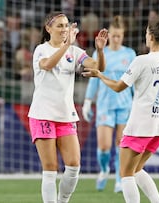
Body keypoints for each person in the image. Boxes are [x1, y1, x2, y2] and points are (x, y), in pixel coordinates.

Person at [82, 17, 159, 203]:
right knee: (137, 169)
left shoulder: (141, 60)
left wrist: (100, 75)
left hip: (140, 124)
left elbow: (119, 86)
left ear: (150, 36)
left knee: (126, 174)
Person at [28, 11, 108, 203]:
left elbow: (98, 67)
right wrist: (67, 46)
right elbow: (47, 65)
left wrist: (100, 50)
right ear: (48, 29)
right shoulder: (42, 49)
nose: (64, 29)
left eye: (66, 25)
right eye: (60, 26)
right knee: (50, 168)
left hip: (65, 115)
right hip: (42, 114)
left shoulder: (74, 51)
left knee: (73, 165)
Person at [81, 15, 136, 193]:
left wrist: (137, 101)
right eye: (114, 35)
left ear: (123, 35)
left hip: (125, 104)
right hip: (105, 104)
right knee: (104, 146)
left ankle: (120, 179)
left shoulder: (130, 54)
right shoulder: (99, 53)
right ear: (109, 34)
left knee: (122, 144)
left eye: (120, 35)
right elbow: (94, 79)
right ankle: (104, 170)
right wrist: (88, 101)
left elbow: (133, 80)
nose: (116, 38)